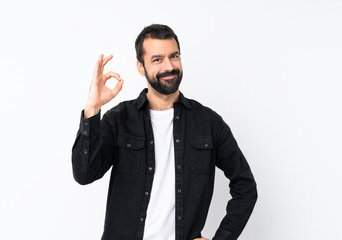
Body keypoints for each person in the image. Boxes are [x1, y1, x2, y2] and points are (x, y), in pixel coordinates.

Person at [71, 24, 257, 240]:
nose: (169, 66)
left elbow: (245, 186)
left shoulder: (208, 123)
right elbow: (84, 175)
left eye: (174, 56)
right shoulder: (119, 119)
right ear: (141, 67)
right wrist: (92, 109)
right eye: (157, 59)